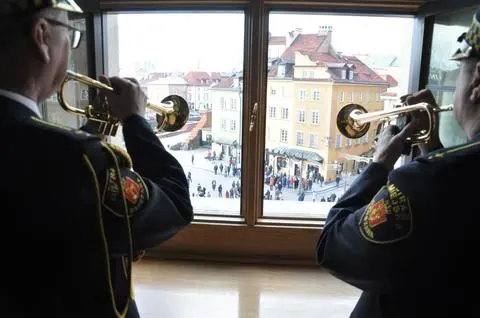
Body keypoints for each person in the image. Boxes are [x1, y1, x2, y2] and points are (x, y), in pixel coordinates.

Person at [0, 1, 193, 317]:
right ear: (41, 35)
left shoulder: (72, 154)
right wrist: (135, 120)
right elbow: (174, 204)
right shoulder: (82, 160)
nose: (71, 44)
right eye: (71, 34)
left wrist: (93, 131)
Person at [316, 9, 480, 318]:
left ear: (477, 82)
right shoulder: (445, 174)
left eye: (461, 72)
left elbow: (332, 247)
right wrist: (430, 144)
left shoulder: (426, 180)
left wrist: (379, 164)